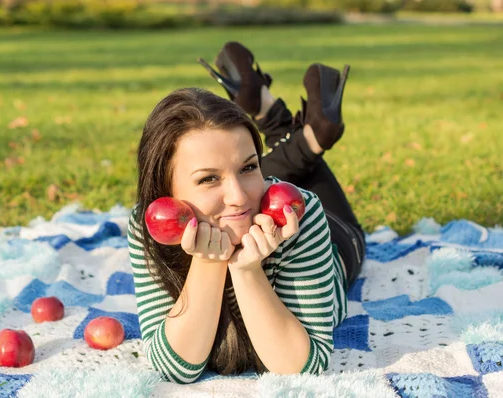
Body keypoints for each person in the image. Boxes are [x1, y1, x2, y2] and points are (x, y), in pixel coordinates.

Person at [127, 42, 366, 384]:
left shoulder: (305, 212)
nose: (239, 197)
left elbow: (303, 368)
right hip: (238, 214)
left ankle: (289, 125)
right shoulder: (147, 226)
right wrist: (210, 261)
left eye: (250, 167)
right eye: (208, 178)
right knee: (239, 172)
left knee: (272, 185)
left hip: (334, 240)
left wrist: (247, 271)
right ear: (166, 192)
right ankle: (292, 125)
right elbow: (174, 367)